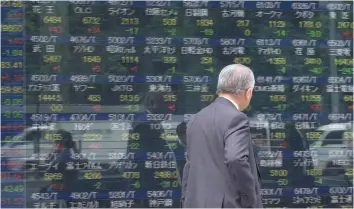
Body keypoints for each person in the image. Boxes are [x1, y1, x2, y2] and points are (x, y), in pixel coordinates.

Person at [182, 64, 262, 208]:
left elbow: (189, 166)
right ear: (248, 92)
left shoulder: (196, 119)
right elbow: (235, 158)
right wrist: (249, 201)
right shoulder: (237, 118)